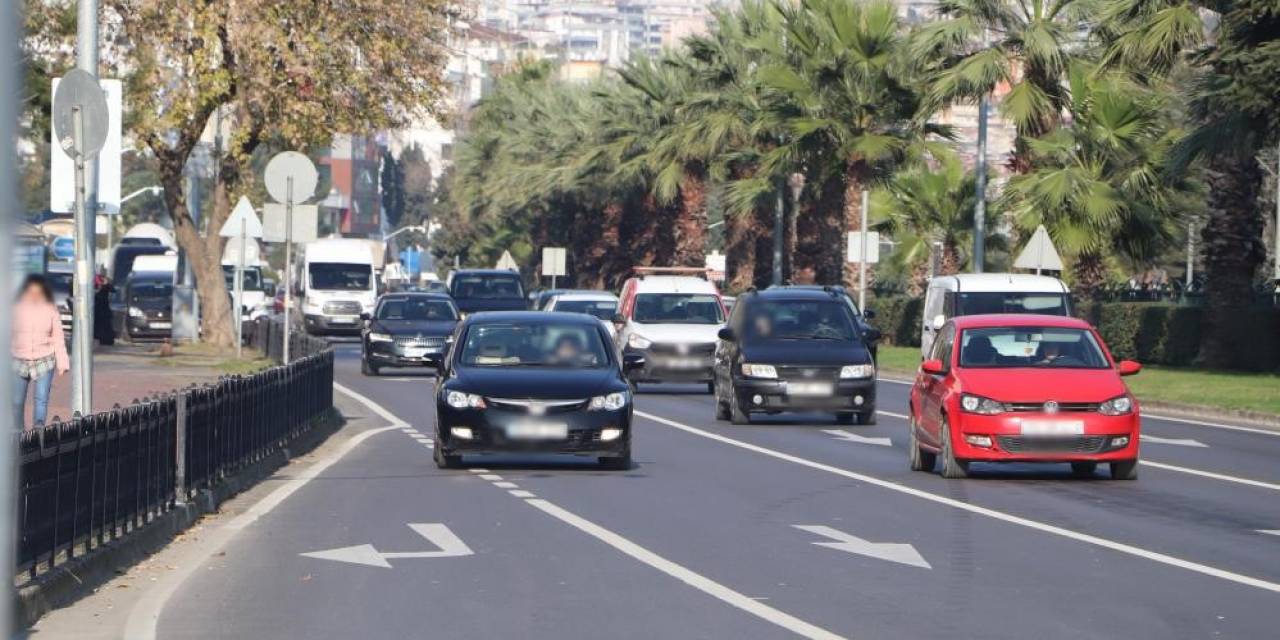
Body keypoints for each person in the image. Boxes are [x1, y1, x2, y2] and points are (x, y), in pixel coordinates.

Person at [12, 274, 70, 428]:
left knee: (41, 399)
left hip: (44, 359)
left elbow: (58, 337)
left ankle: (38, 434)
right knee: (16, 401)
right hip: (19, 359)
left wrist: (62, 362)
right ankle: (18, 434)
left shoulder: (50, 309)